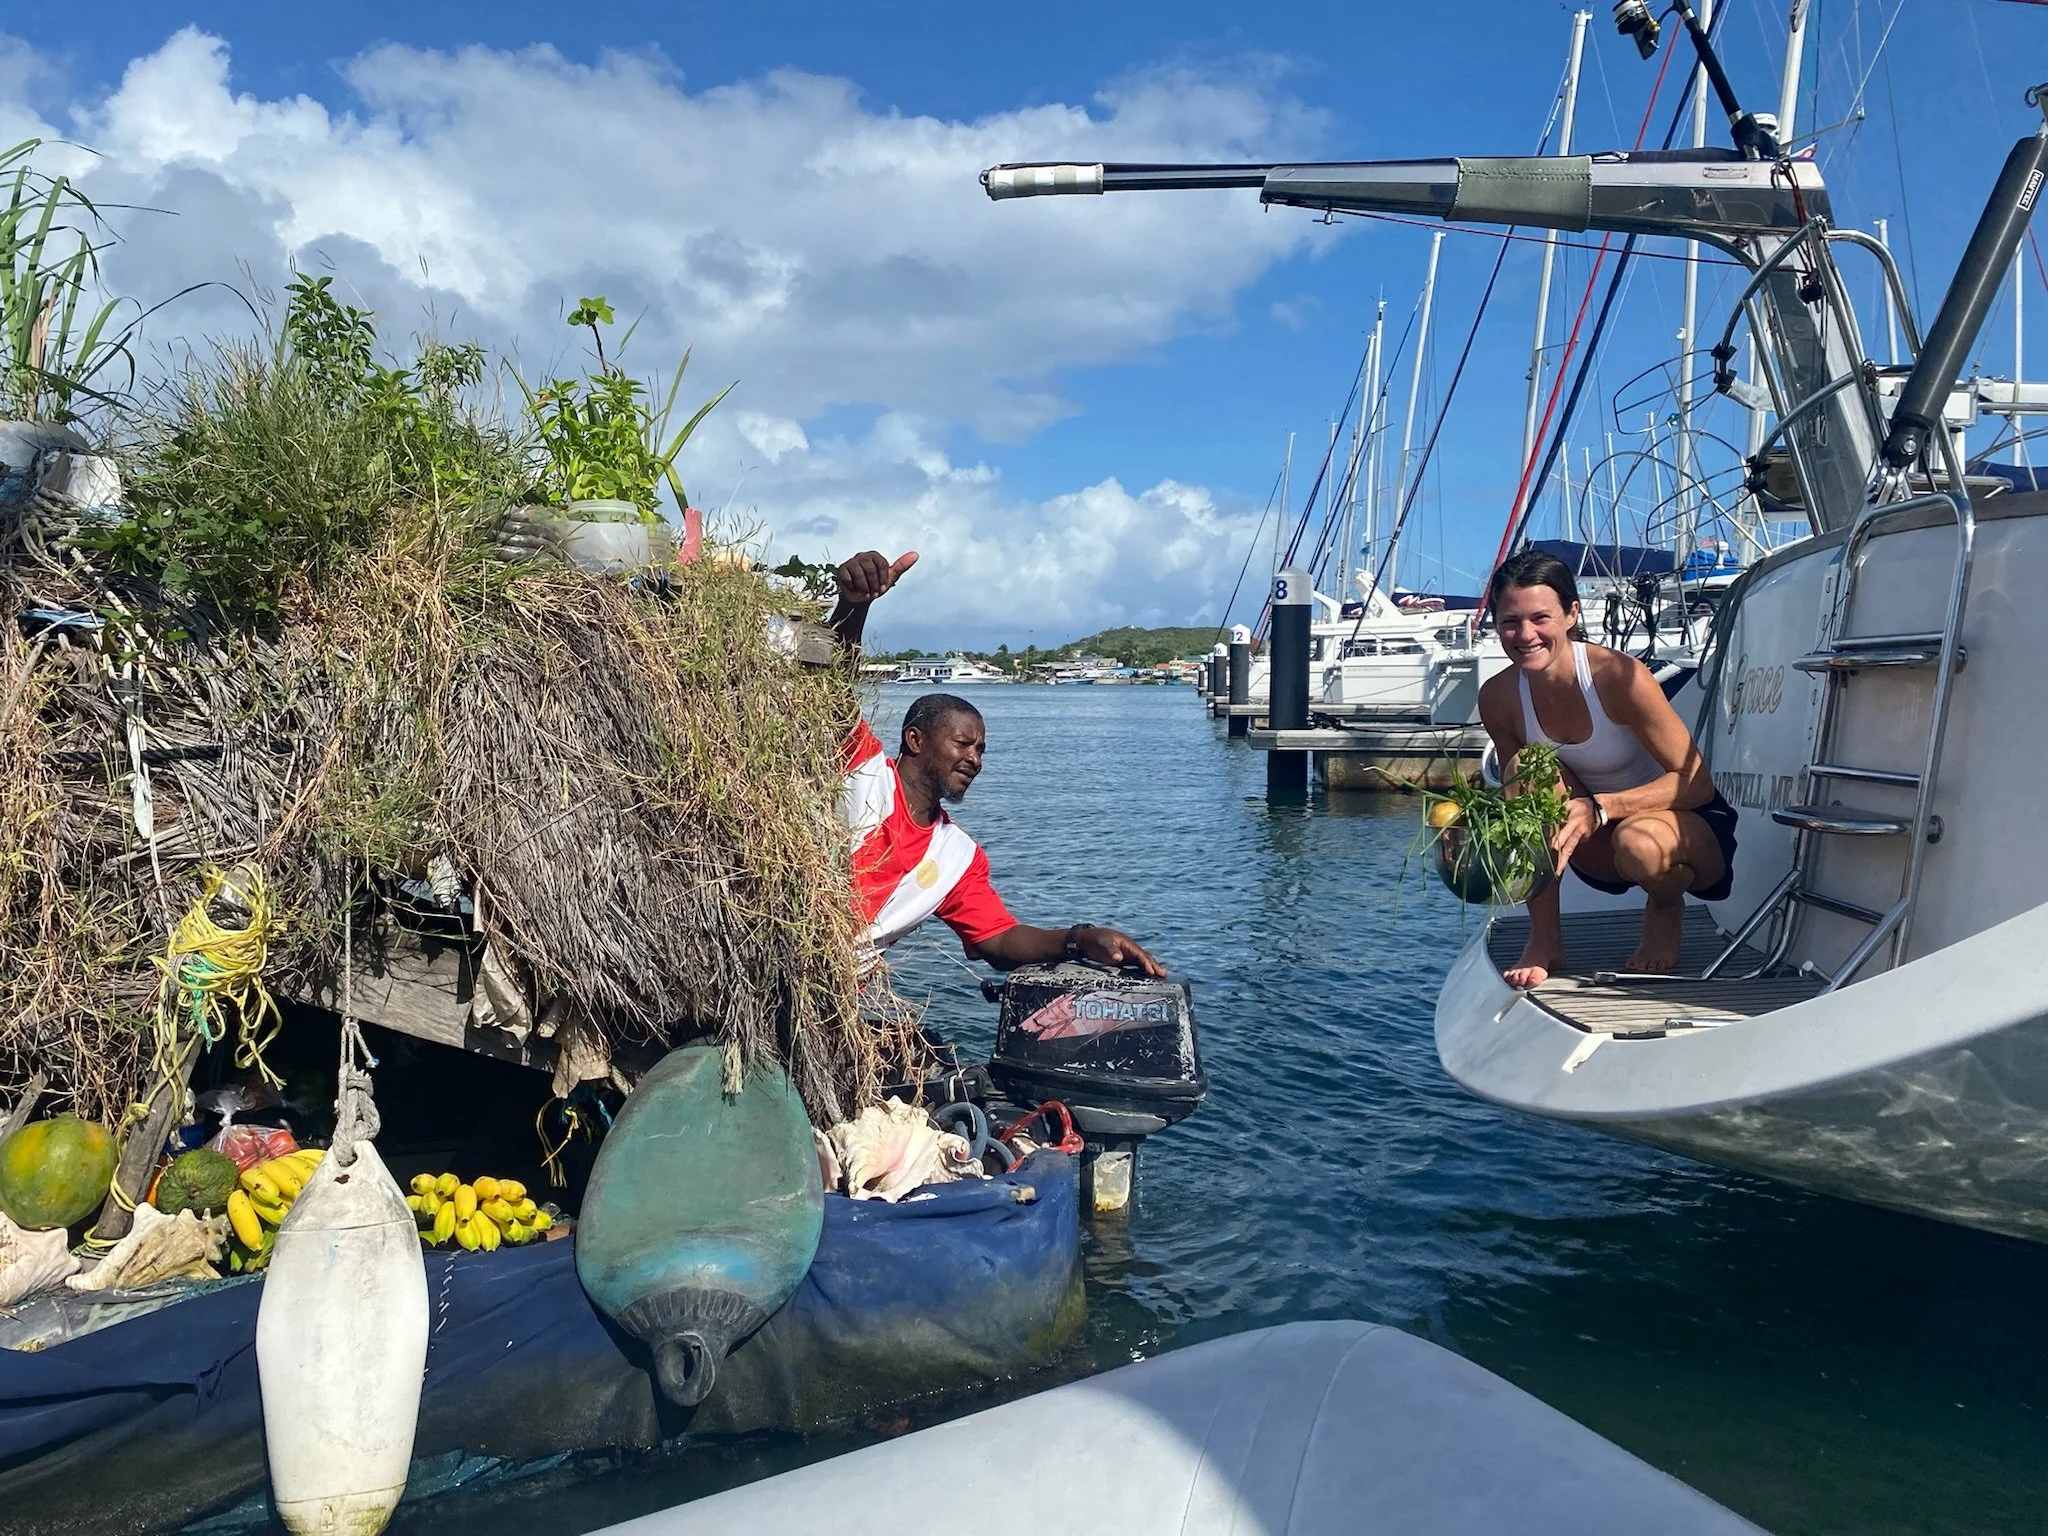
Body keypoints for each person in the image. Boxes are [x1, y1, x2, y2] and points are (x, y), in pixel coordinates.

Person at [828, 548, 1165, 976]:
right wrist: (854, 606)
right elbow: (831, 694)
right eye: (963, 744)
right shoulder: (862, 770)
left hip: (830, 1003)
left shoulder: (956, 855)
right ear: (914, 740)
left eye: (981, 750)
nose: (974, 759)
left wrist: (1080, 939)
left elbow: (1000, 940)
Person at [1476, 548, 1739, 988]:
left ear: (1571, 613)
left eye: (1541, 618)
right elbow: (1519, 809)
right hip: (1593, 848)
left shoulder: (1618, 677)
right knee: (1527, 769)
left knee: (1639, 841)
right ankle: (1545, 939)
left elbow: (1696, 783)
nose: (1525, 634)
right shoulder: (1498, 698)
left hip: (1678, 835)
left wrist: (1601, 807)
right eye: (1510, 622)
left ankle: (1664, 909)